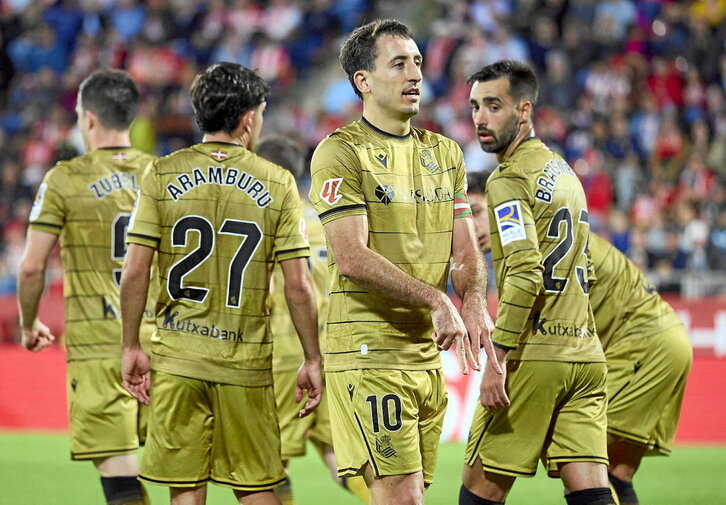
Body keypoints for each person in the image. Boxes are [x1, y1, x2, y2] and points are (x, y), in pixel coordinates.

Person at [308, 19, 499, 505]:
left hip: (424, 350)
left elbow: (464, 248)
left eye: (417, 61)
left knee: (405, 497)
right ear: (363, 82)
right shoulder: (340, 152)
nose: (415, 72)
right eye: (399, 63)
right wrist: (437, 297)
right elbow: (350, 257)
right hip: (368, 348)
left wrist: (473, 298)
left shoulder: (446, 153)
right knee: (403, 498)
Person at [120, 62, 322, 505]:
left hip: (177, 357)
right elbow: (299, 286)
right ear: (250, 118)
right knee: (255, 488)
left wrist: (131, 345)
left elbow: (135, 272)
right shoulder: (278, 182)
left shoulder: (161, 174)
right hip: (244, 362)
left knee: (186, 491)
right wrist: (311, 357)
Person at [466, 174, 693, 505]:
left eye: (476, 211)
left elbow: (537, 310)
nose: (471, 226)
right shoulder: (550, 228)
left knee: (576, 460)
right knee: (614, 472)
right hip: (660, 338)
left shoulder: (527, 242)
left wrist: (499, 360)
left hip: (639, 344)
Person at [461, 60, 616, 505]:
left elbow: (527, 273)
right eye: (475, 107)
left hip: (536, 354)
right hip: (585, 356)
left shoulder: (508, 179)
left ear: (524, 111)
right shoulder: (564, 172)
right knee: (590, 492)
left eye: (493, 106)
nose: (480, 119)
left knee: (477, 493)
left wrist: (499, 358)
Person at [17, 69, 156, 505]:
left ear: (89, 119)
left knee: (119, 474)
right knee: (180, 472)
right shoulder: (163, 174)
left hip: (101, 344)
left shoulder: (65, 178)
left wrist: (29, 322)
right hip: (166, 341)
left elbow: (31, 267)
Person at [256, 136, 370, 505]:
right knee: (338, 454)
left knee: (269, 461)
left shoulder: (266, 224)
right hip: (333, 352)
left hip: (285, 349)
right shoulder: (325, 220)